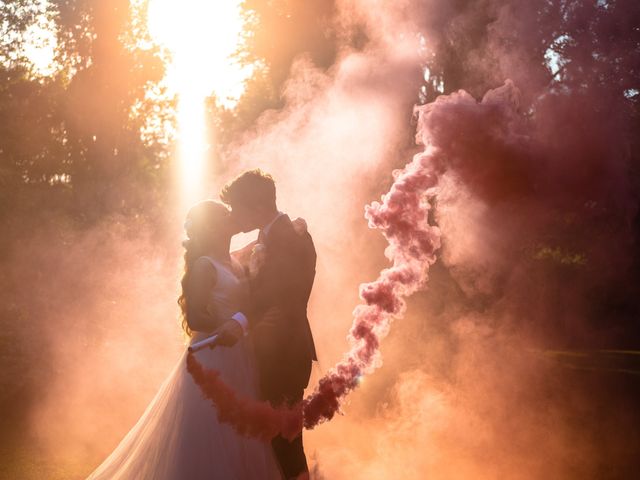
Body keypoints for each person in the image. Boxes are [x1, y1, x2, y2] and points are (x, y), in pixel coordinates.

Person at [86, 200, 282, 480]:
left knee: (241, 434)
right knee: (212, 434)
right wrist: (227, 325)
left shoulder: (235, 261)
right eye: (226, 215)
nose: (233, 217)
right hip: (213, 359)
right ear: (214, 227)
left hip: (240, 357)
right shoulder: (204, 265)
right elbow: (194, 318)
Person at [214, 169, 317, 480]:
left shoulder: (290, 238)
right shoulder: (269, 236)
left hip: (284, 355)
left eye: (237, 208)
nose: (234, 215)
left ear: (258, 208)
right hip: (267, 353)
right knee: (270, 442)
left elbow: (283, 296)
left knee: (285, 442)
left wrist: (241, 322)